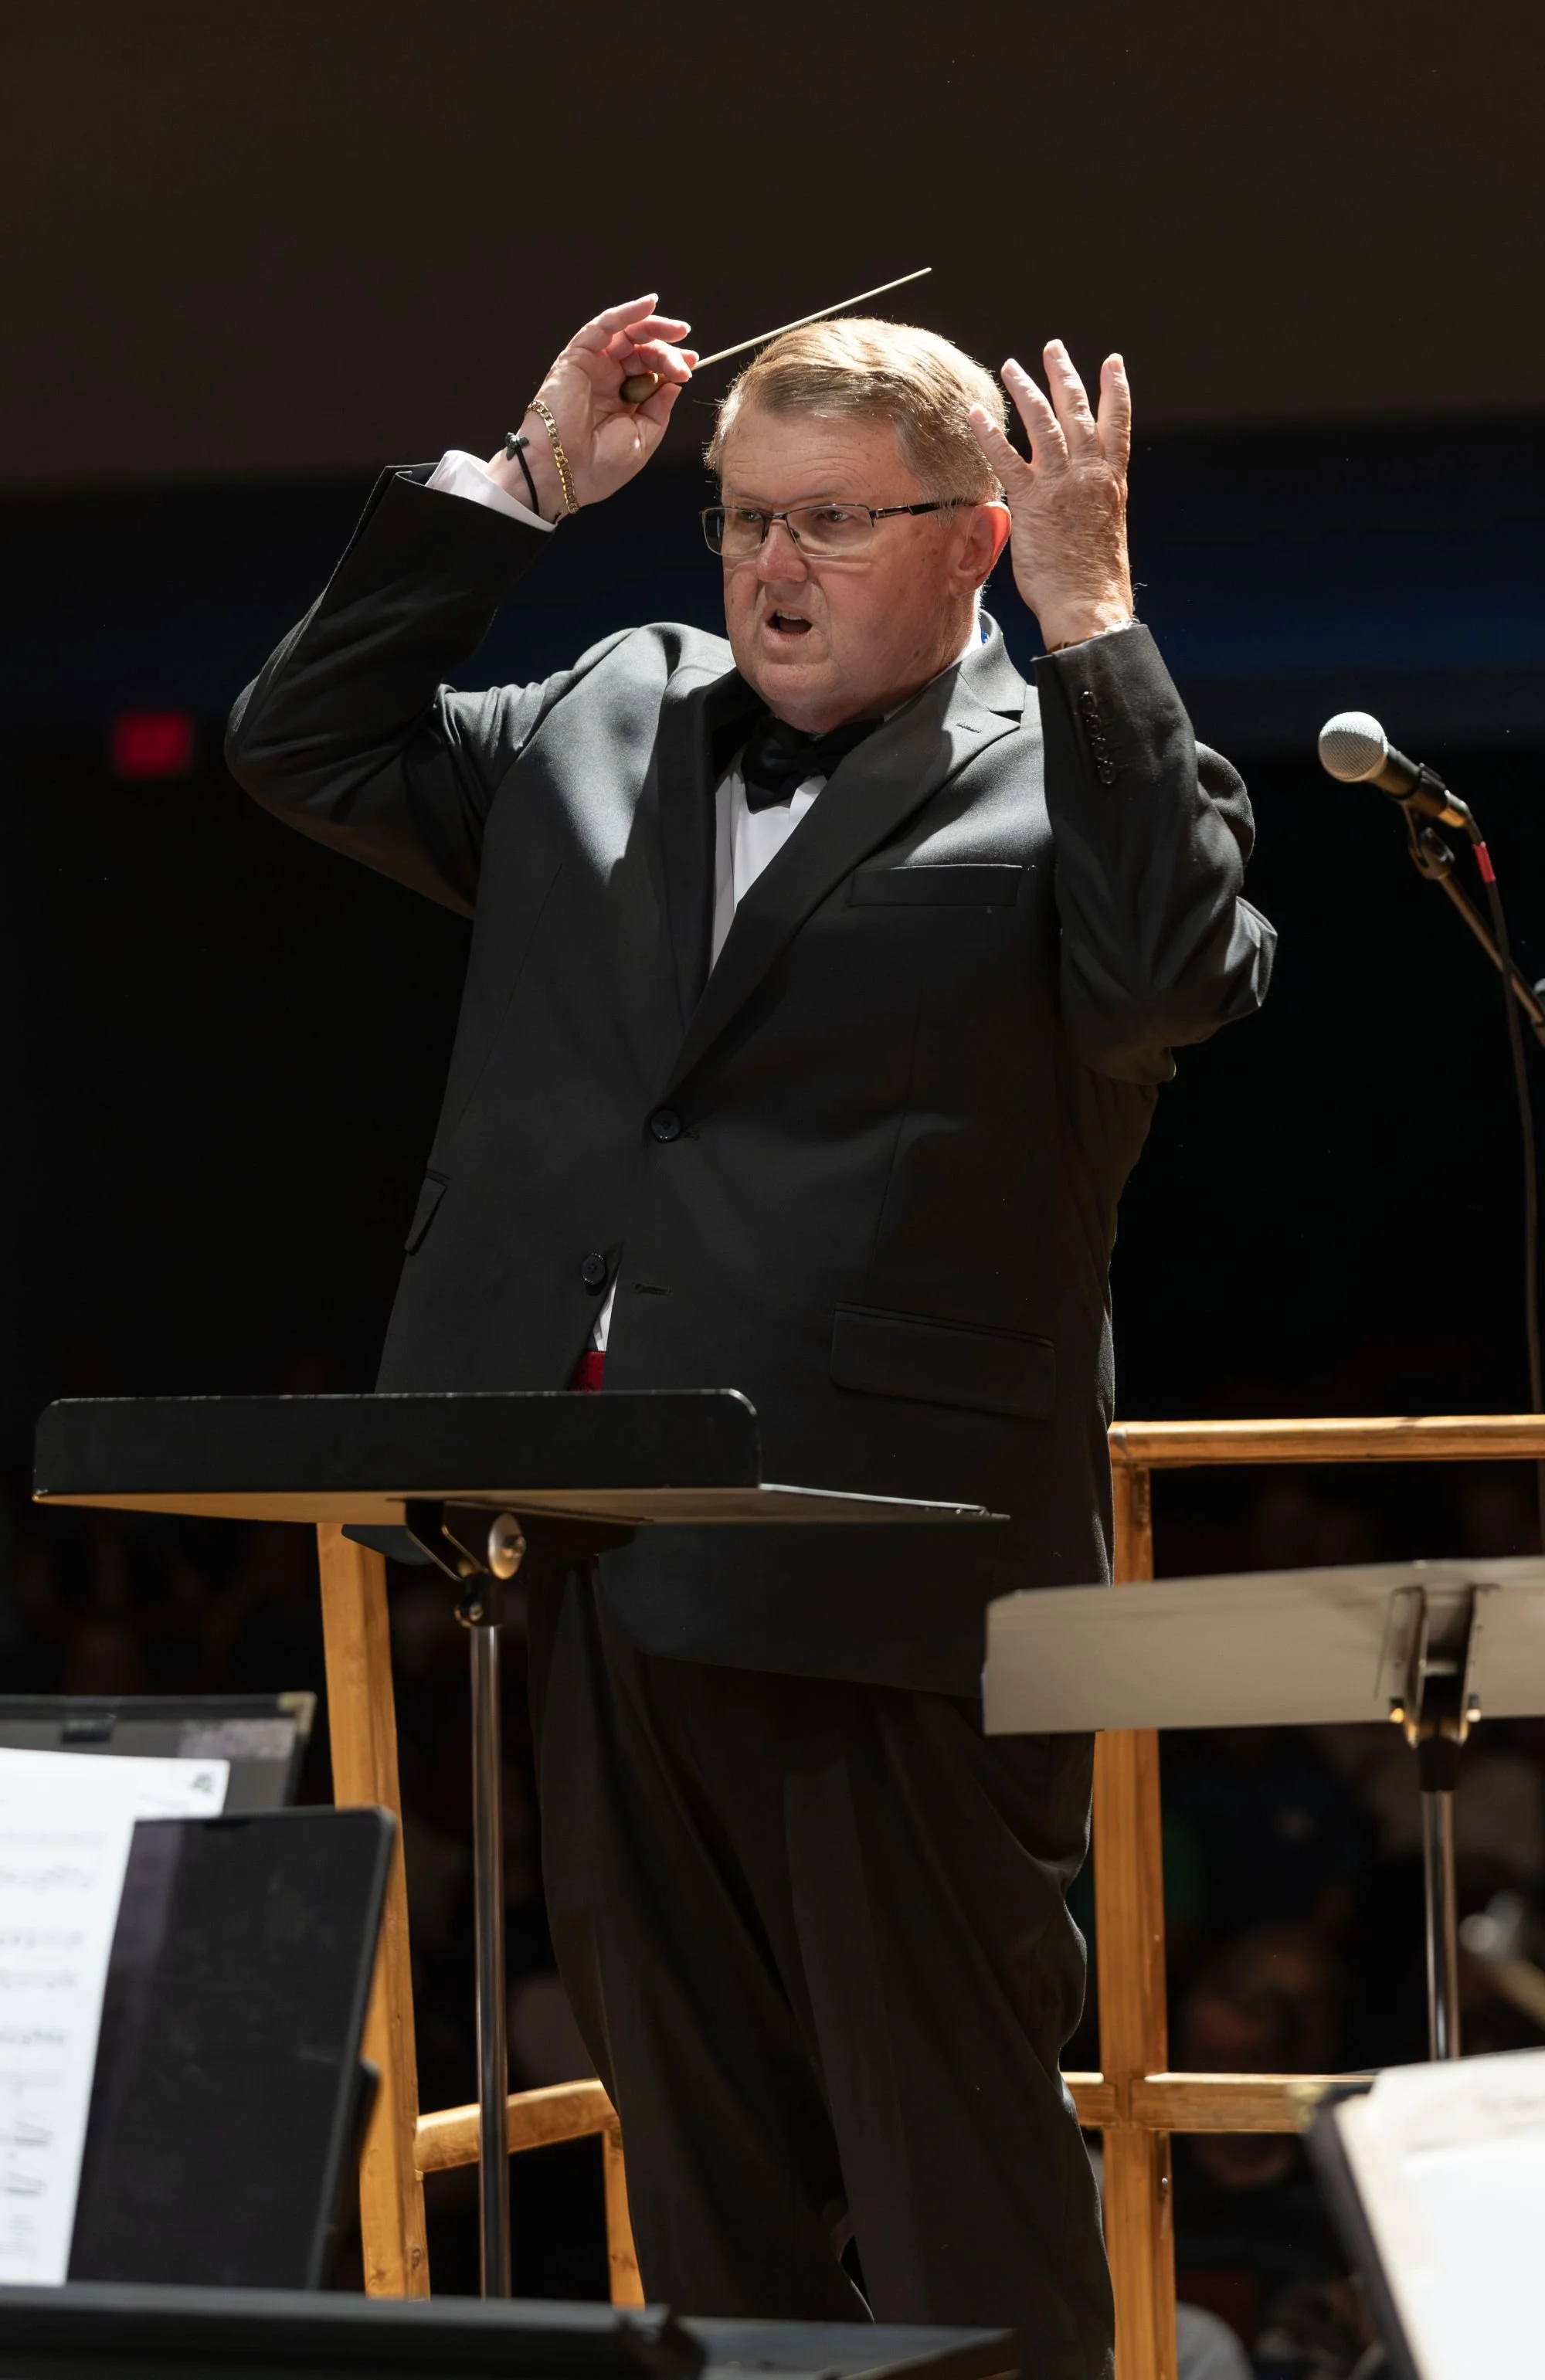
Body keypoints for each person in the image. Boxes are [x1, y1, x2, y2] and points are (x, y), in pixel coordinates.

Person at [227, 295, 1275, 2376]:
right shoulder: (609, 705)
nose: (773, 567)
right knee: (703, 2190)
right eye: (740, 521)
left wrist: (1097, 621)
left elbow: (1175, 975)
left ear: (978, 539)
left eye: (833, 522)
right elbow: (301, 743)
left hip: (894, 1575)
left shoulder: (1075, 770)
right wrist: (523, 492)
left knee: (958, 2189)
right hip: (593, 1548)